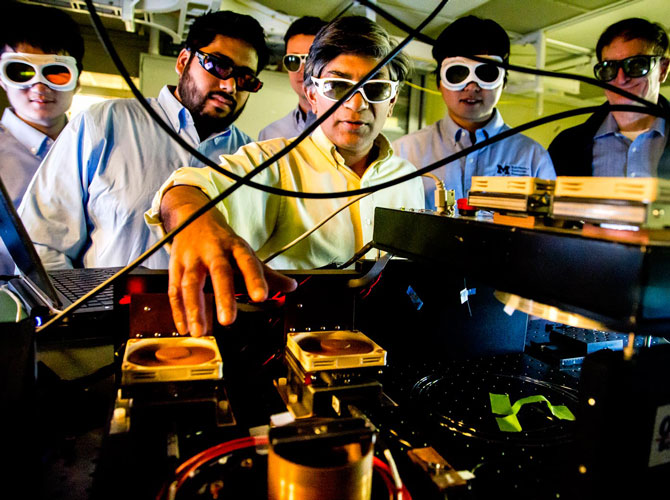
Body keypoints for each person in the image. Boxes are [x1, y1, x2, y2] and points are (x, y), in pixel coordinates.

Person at [146, 15, 424, 336]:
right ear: (312, 95)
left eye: (375, 88)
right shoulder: (274, 163)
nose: (356, 103)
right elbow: (191, 188)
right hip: (293, 354)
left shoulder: (409, 179)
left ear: (391, 102)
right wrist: (192, 217)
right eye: (336, 85)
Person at [18, 10, 268, 270]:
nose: (230, 86)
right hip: (103, 309)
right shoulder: (102, 123)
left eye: (245, 78)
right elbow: (43, 244)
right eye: (217, 65)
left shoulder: (250, 159)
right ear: (183, 61)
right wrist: (72, 310)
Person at [393, 15, 555, 211]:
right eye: (458, 73)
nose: (471, 86)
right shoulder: (404, 154)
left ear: (503, 82)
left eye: (486, 74)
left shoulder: (532, 158)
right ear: (439, 82)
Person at [0, 3, 84, 275]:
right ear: (3, 78)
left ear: (77, 80)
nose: (39, 86)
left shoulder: (96, 152)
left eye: (56, 73)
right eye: (21, 71)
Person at [548, 18, 670, 177]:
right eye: (608, 68)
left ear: (662, 69)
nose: (621, 79)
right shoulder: (566, 146)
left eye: (636, 65)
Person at [258, 16, 326, 141]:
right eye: (293, 60)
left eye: (311, 59)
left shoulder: (352, 126)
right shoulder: (271, 136)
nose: (304, 69)